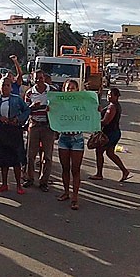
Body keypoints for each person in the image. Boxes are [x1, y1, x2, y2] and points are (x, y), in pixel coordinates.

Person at [0, 77, 30, 195]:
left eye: (7, 85)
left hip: (15, 131)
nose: (5, 87)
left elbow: (27, 110)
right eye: (3, 85)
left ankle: (18, 185)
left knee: (16, 160)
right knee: (3, 160)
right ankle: (4, 184)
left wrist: (18, 119)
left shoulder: (17, 99)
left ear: (11, 87)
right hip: (1, 131)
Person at [90, 87, 132, 182]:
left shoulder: (112, 107)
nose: (108, 96)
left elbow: (105, 121)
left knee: (99, 152)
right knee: (110, 153)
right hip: (114, 132)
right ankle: (124, 171)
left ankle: (99, 174)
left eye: (110, 95)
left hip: (110, 133)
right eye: (108, 94)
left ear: (116, 96)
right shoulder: (113, 105)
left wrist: (94, 122)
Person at [55, 80, 85, 210]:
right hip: (63, 138)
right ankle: (66, 192)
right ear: (64, 89)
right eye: (68, 88)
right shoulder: (60, 103)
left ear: (77, 90)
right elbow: (54, 115)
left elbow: (89, 113)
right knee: (65, 167)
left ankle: (75, 197)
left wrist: (96, 110)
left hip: (77, 139)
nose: (70, 90)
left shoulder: (81, 103)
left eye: (72, 88)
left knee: (76, 169)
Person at [24, 69, 54, 192]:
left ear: (44, 78)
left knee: (47, 156)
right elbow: (25, 110)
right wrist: (32, 107)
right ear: (32, 79)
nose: (38, 80)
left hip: (48, 126)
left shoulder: (52, 91)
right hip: (34, 125)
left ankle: (44, 181)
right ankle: (29, 178)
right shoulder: (30, 93)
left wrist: (50, 109)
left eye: (40, 78)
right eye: (36, 78)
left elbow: (60, 106)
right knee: (30, 155)